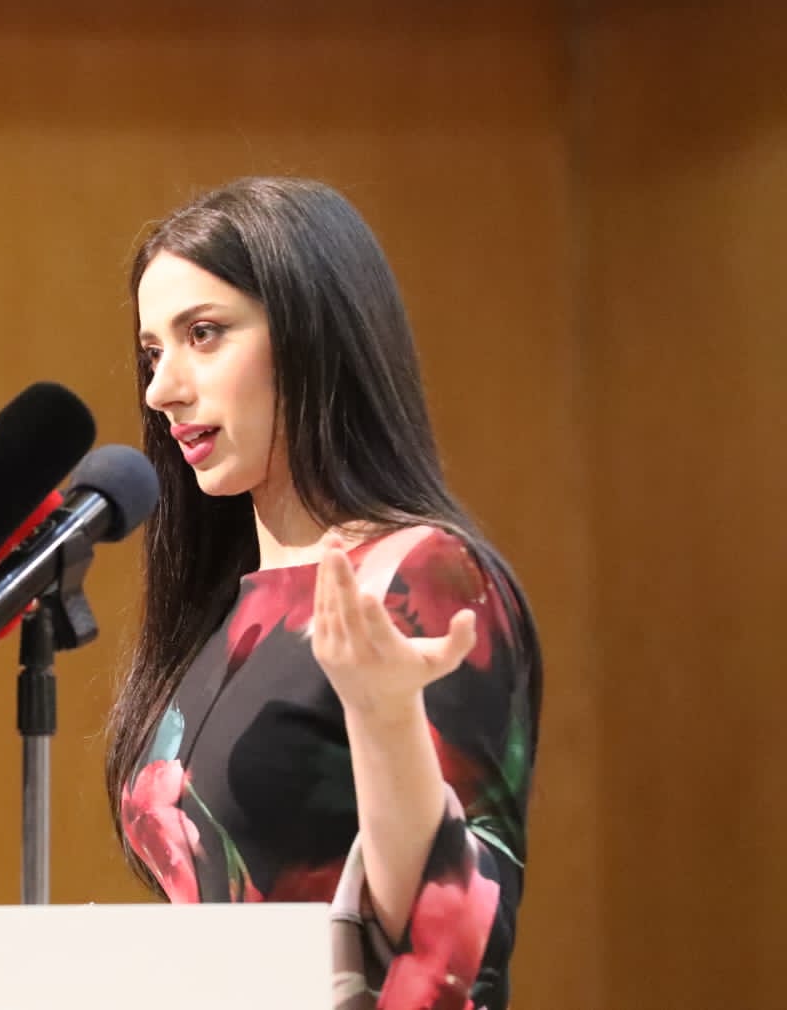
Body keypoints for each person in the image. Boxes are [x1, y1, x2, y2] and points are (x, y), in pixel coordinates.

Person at [106, 178, 542, 1010]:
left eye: (203, 334)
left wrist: (384, 717)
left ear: (313, 335)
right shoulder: (225, 607)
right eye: (152, 352)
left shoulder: (421, 577)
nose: (161, 389)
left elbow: (452, 939)